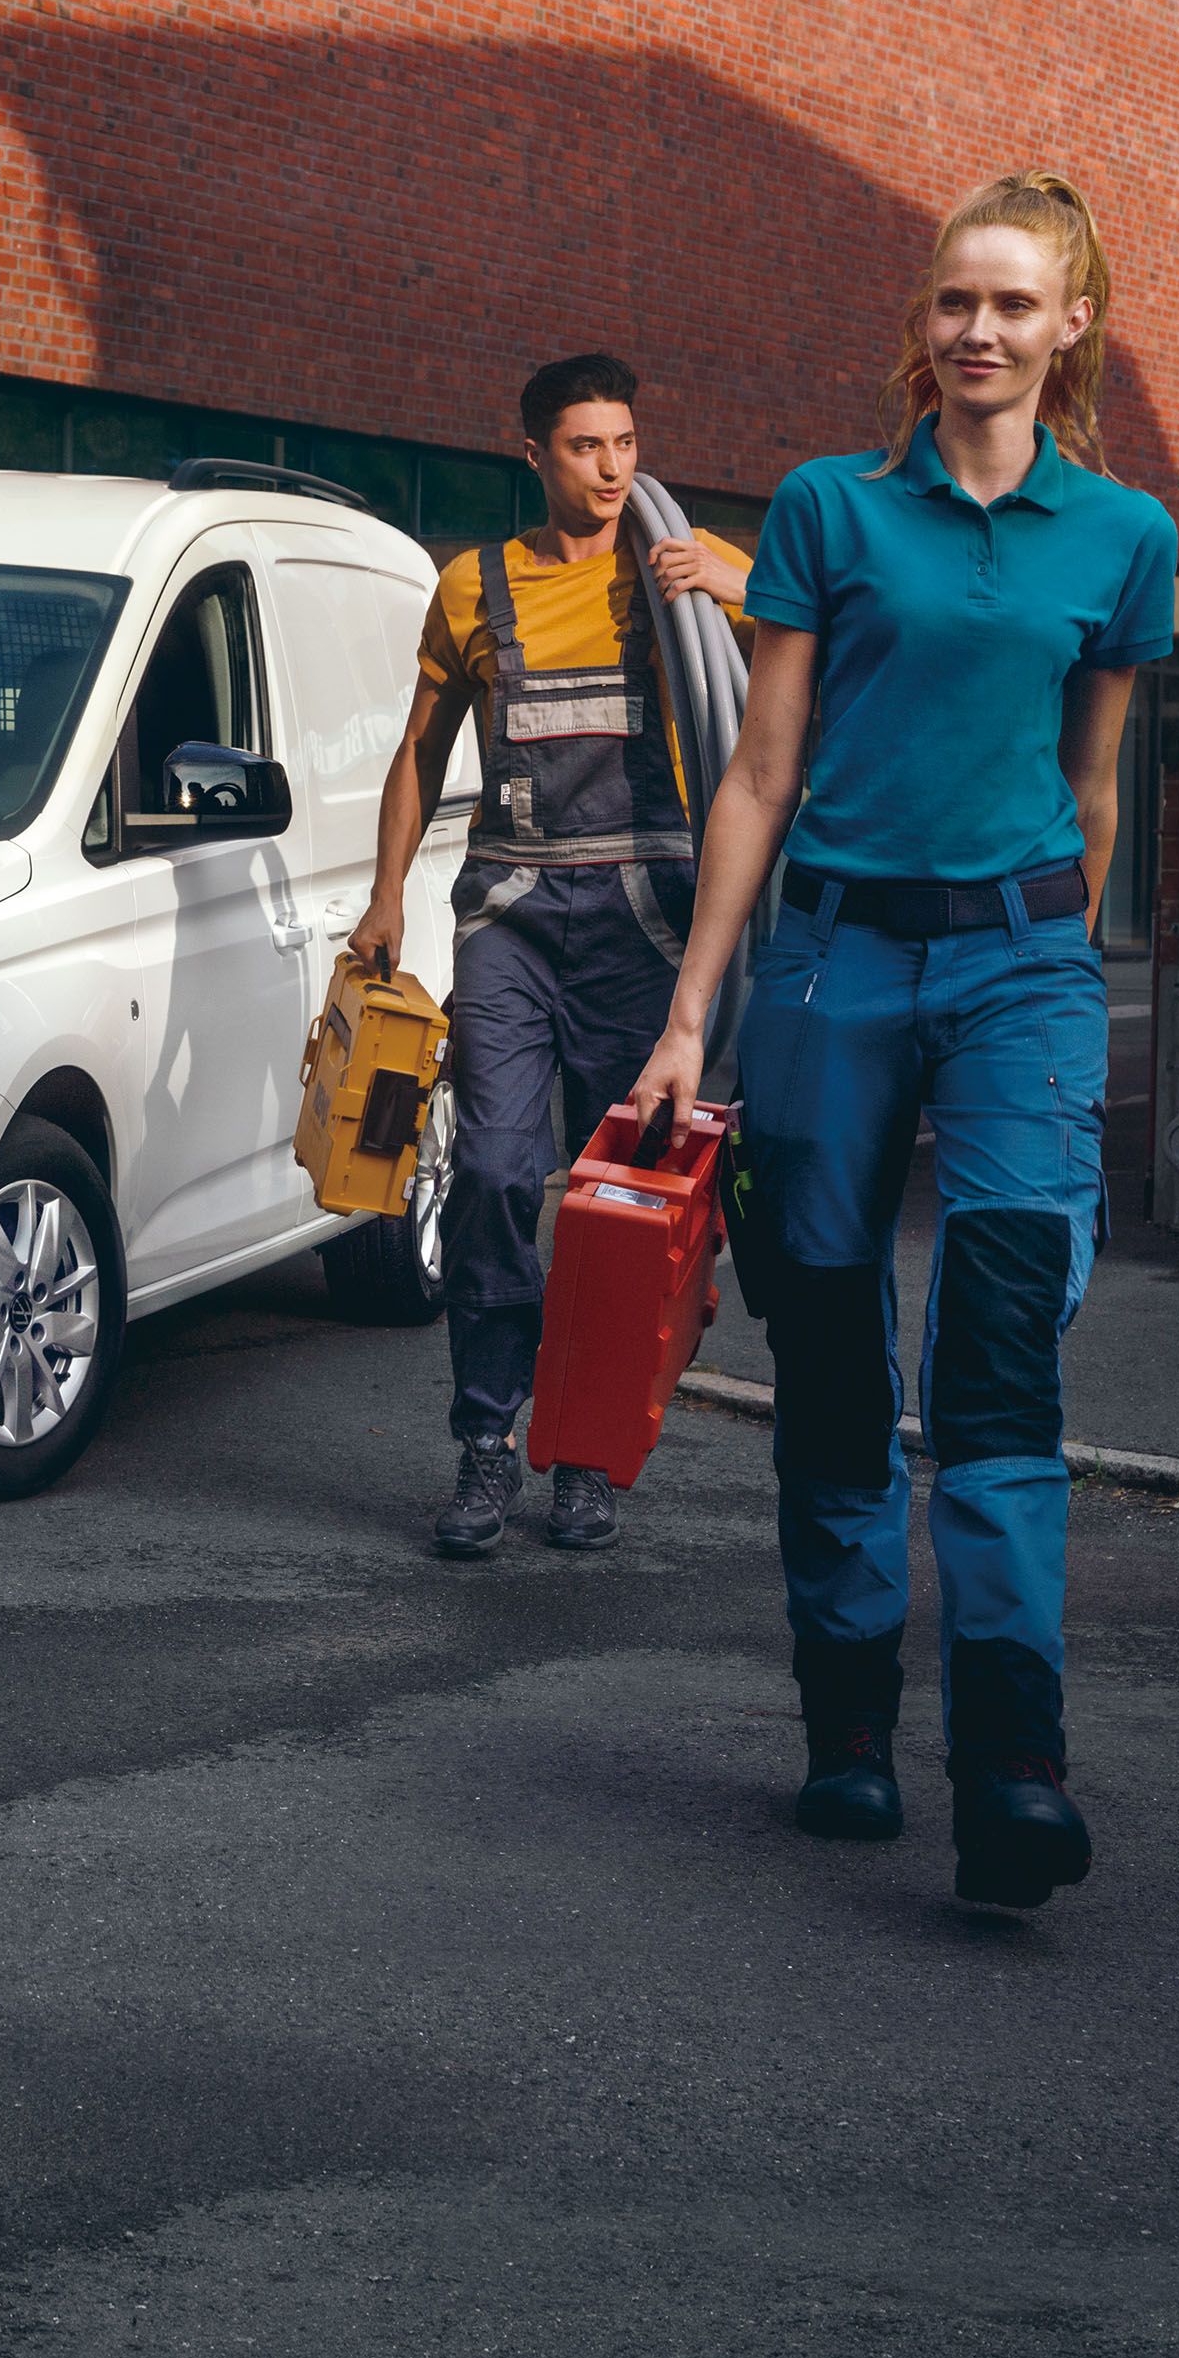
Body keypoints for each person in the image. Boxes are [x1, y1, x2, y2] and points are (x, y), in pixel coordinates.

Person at [630, 173, 1177, 1912]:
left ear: (1071, 323)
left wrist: (1055, 963)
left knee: (1003, 1348)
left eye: (1015, 304)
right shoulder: (825, 510)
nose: (980, 331)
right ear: (920, 321)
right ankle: (849, 1729)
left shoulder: (1126, 538)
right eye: (955, 301)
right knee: (836, 1354)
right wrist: (690, 1011)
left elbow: (1094, 785)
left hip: (1020, 965)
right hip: (832, 964)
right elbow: (762, 773)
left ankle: (1013, 1762)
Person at [351, 354, 751, 1556]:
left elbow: (835, 638)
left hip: (644, 922)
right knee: (489, 1176)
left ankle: (583, 1454)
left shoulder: (683, 575)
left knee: (615, 1208)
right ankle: (485, 1441)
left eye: (626, 442)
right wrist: (384, 899)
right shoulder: (473, 586)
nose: (614, 467)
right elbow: (420, 752)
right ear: (532, 453)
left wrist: (741, 577)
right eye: (585, 446)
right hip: (515, 919)